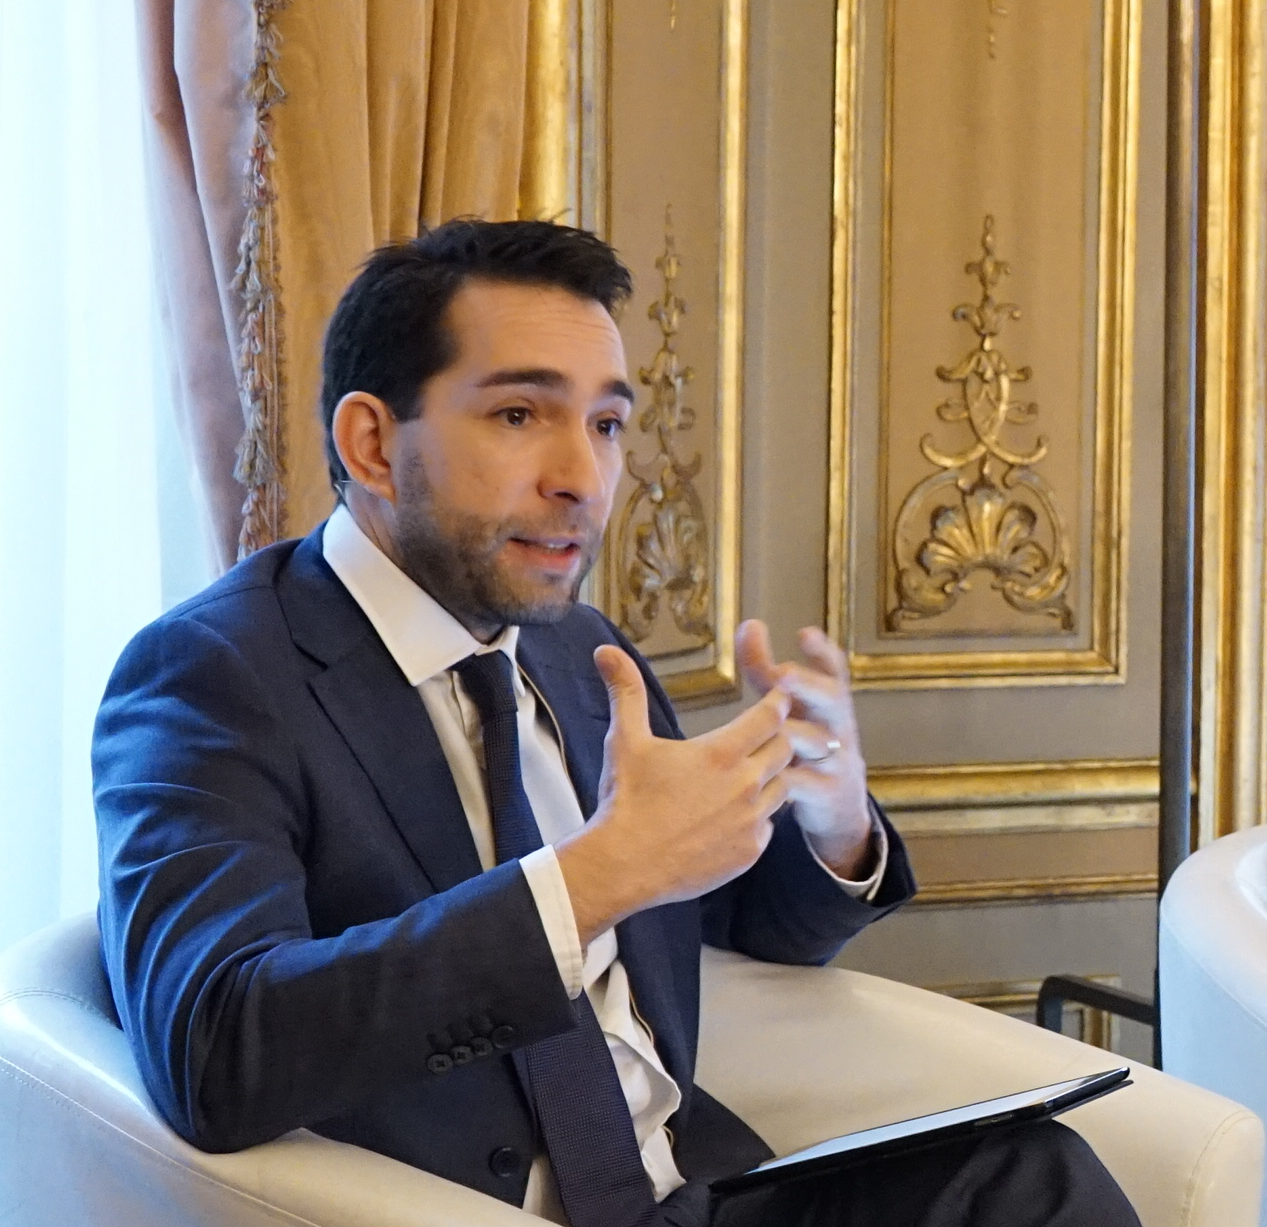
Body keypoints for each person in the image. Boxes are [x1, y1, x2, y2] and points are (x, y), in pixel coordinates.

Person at [93, 219, 1141, 1227]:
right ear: (371, 443)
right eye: (518, 415)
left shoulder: (576, 651)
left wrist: (829, 824)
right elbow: (214, 1050)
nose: (582, 480)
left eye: (604, 425)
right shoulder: (215, 675)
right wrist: (595, 877)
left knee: (1032, 1176)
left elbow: (725, 914)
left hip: (688, 1193)